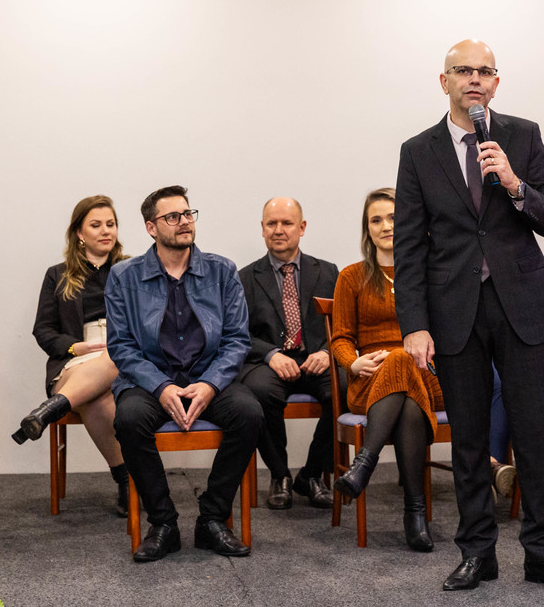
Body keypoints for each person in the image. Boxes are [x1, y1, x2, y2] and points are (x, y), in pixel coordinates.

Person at [394, 38, 544, 593]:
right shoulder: (418, 151)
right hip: (454, 311)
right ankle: (477, 552)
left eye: (484, 71)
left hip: (521, 306)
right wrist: (415, 324)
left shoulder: (522, 136)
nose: (474, 79)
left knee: (533, 434)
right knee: (469, 440)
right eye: (463, 70)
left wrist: (514, 183)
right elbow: (409, 245)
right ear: (445, 81)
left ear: (496, 83)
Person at [106, 185, 263, 562]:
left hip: (209, 376)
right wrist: (161, 387)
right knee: (129, 420)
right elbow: (121, 346)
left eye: (188, 214)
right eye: (172, 217)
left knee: (249, 414)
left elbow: (237, 340)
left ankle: (212, 518)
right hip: (150, 380)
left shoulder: (222, 270)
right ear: (151, 227)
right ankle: (163, 523)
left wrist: (210, 384)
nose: (184, 222)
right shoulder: (124, 276)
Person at [329, 188, 441, 552]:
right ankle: (415, 512)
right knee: (400, 372)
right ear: (367, 229)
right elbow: (341, 338)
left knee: (401, 358)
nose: (386, 226)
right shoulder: (352, 277)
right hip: (370, 383)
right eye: (376, 220)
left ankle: (364, 463)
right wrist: (353, 362)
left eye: (393, 217)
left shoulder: (429, 274)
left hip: (428, 376)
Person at [11, 196, 131, 517]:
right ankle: (127, 481)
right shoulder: (57, 275)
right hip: (74, 362)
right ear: (79, 232)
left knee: (115, 358)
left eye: (111, 224)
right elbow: (43, 330)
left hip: (124, 358)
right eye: (96, 225)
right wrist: (74, 347)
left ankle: (49, 410)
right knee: (95, 396)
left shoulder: (132, 270)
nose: (106, 231)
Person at [237, 197, 338, 511]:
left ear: (302, 227)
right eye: (271, 223)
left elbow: (344, 325)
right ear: (262, 228)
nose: (278, 230)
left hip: (315, 359)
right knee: (258, 393)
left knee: (346, 388)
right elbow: (235, 334)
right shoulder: (244, 278)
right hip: (268, 363)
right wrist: (270, 355)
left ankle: (311, 475)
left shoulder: (328, 272)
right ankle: (279, 475)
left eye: (287, 223)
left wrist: (327, 351)